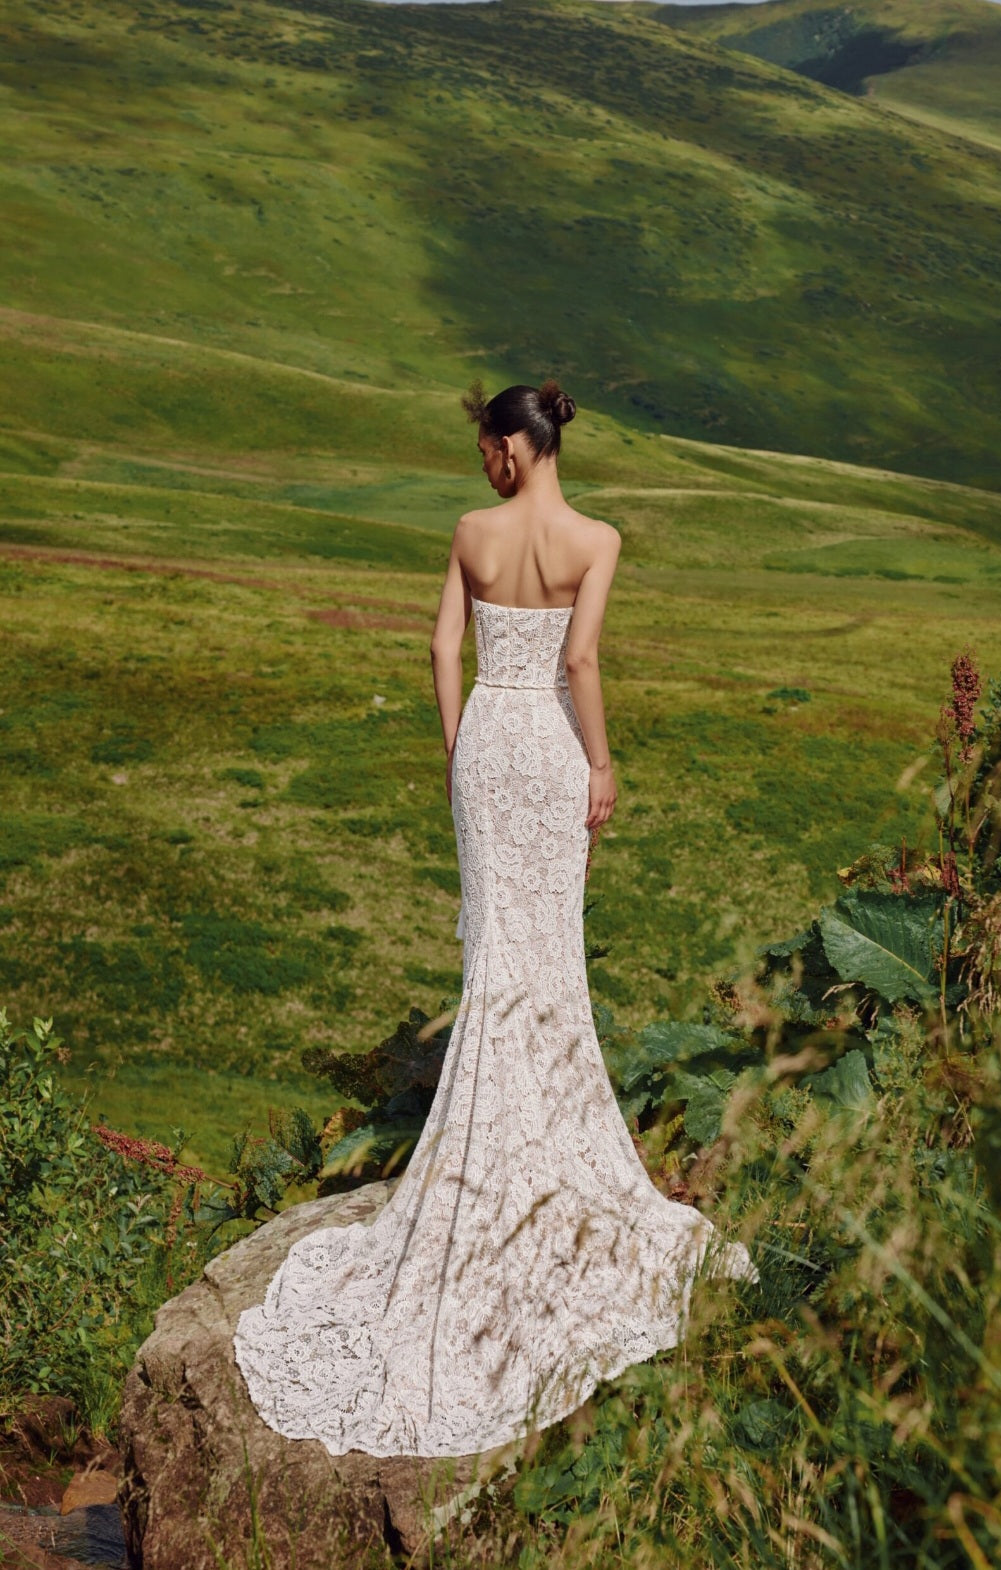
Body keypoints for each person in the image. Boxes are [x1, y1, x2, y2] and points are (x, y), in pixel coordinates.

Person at [232, 380, 756, 1461]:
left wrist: (454, 749)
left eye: (487, 449)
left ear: (516, 445)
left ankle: (488, 1157)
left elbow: (442, 651)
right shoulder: (598, 540)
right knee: (547, 957)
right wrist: (600, 763)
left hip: (485, 745)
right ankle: (550, 1161)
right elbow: (581, 661)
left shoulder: (473, 533)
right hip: (551, 751)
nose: (483, 466)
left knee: (495, 956)